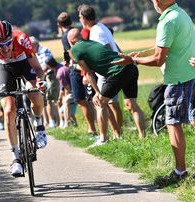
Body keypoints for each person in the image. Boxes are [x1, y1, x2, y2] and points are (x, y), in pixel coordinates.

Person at [112, 0, 195, 183]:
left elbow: (158, 59)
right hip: (190, 75)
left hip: (177, 79)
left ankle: (180, 172)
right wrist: (140, 55)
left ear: (157, 1)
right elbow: (169, 46)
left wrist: (133, 61)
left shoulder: (167, 21)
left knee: (173, 123)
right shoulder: (181, 14)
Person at [0, 20, 47, 176]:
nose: (4, 48)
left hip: (23, 62)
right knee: (9, 111)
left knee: (34, 92)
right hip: (4, 67)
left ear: (12, 37)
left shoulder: (22, 39)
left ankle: (39, 124)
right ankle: (16, 159)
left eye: (7, 43)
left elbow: (38, 69)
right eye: (0, 45)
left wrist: (40, 82)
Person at [67, 28, 146, 145]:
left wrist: (97, 92)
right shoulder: (92, 43)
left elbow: (88, 73)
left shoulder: (74, 49)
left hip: (117, 72)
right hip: (130, 67)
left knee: (100, 103)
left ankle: (103, 139)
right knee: (132, 104)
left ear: (71, 41)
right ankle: (143, 138)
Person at [78, 4, 133, 145]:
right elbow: (113, 45)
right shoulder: (101, 27)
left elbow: (105, 49)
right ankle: (117, 135)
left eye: (79, 17)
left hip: (107, 73)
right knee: (112, 104)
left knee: (100, 104)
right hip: (114, 70)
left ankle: (103, 138)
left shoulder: (96, 32)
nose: (80, 20)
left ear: (83, 18)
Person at [57, 12, 97, 136]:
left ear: (59, 24)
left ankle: (92, 129)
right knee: (88, 99)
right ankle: (95, 127)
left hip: (77, 68)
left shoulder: (66, 36)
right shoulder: (77, 31)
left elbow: (73, 55)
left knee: (80, 99)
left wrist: (72, 65)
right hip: (84, 67)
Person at [30, 36, 60, 128]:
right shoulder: (35, 53)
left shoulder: (44, 50)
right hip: (42, 78)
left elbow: (47, 64)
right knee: (42, 100)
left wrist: (39, 73)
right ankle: (47, 122)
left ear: (35, 44)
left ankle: (53, 121)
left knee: (49, 99)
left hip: (48, 76)